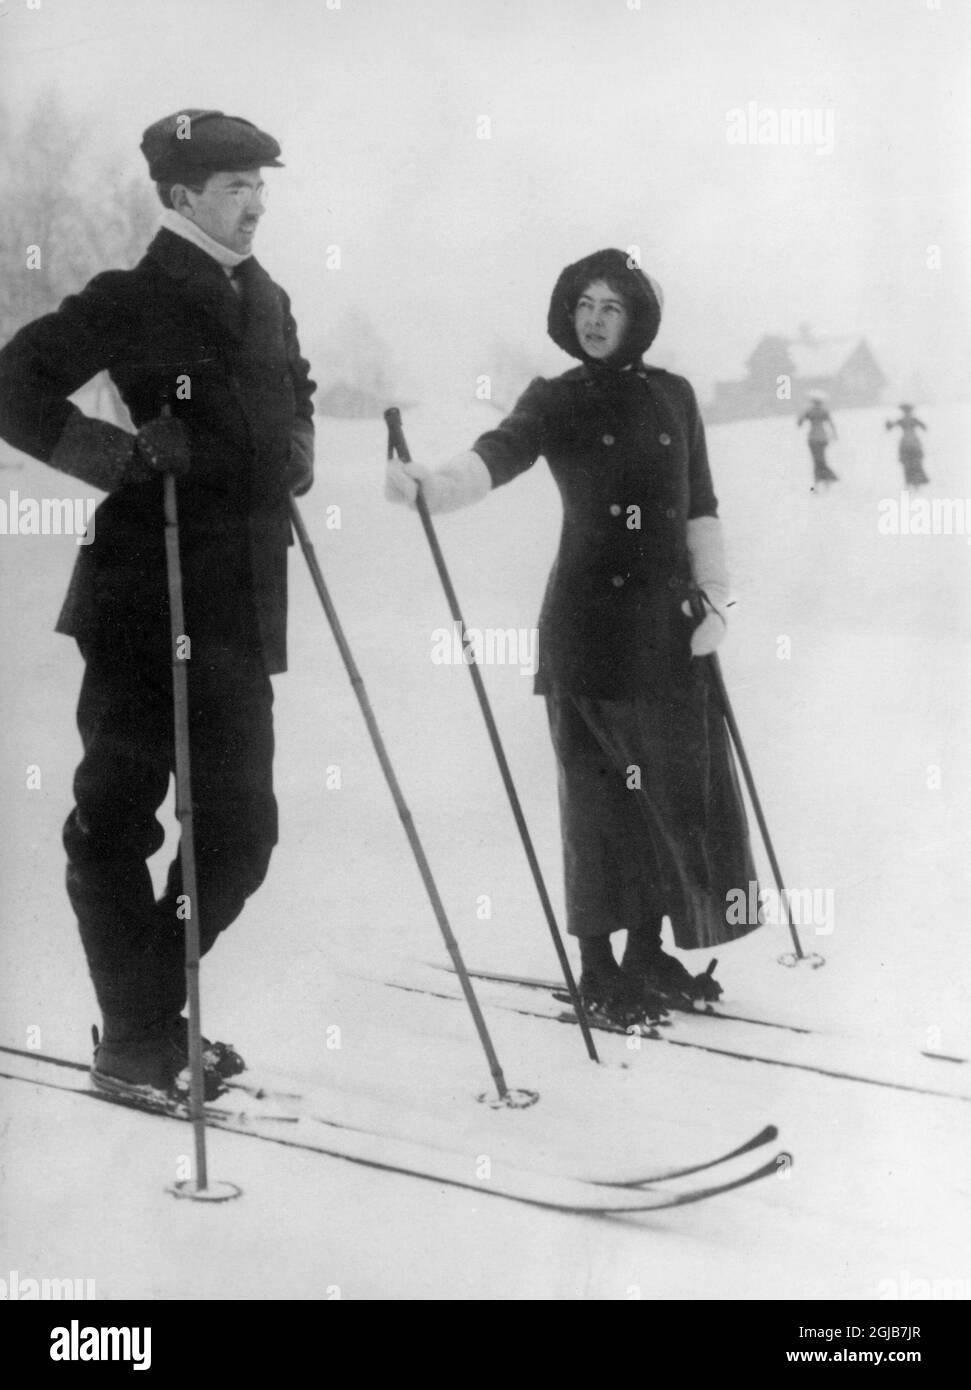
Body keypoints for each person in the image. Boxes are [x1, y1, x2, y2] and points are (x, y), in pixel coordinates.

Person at [0, 110, 316, 1101]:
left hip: (238, 603)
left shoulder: (267, 298)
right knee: (116, 822)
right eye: (235, 186)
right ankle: (140, 1032)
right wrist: (120, 456)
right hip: (145, 591)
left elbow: (294, 392)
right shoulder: (130, 295)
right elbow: (14, 383)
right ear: (182, 196)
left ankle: (146, 1016)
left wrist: (298, 448)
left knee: (240, 833)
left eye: (260, 182)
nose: (256, 201)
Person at [387, 249, 760, 1022]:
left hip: (669, 632)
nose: (593, 319)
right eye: (583, 304)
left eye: (611, 307)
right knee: (598, 808)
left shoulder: (673, 396)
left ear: (637, 319)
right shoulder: (557, 399)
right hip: (588, 632)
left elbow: (701, 504)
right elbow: (500, 452)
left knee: (666, 797)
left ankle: (646, 957)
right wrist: (434, 486)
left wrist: (715, 598)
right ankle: (598, 970)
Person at [796, 390, 838, 489]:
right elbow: (831, 423)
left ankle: (820, 482)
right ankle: (827, 480)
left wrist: (801, 414)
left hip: (813, 438)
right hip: (823, 438)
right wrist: (835, 435)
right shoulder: (823, 411)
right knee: (821, 460)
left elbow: (799, 423)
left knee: (817, 461)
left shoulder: (809, 411)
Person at [885, 403, 929, 489]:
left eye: (907, 412)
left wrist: (888, 424)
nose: (907, 414)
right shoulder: (913, 420)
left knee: (909, 464)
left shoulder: (903, 420)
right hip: (912, 444)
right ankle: (914, 484)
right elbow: (924, 427)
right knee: (914, 464)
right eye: (906, 412)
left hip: (907, 445)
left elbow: (890, 427)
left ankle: (911, 484)